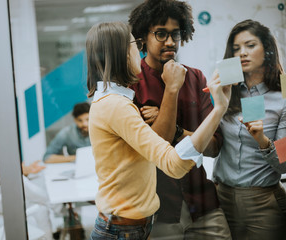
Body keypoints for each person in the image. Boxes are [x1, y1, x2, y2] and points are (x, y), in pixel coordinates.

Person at [86, 21, 231, 240]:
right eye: (136, 44)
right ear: (123, 53)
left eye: (176, 34)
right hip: (124, 229)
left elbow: (212, 145)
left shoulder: (114, 101)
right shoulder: (117, 105)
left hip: (131, 226)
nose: (139, 48)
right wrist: (219, 108)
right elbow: (173, 163)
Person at [128, 0, 231, 239]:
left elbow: (214, 146)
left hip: (203, 203)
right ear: (143, 36)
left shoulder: (195, 77)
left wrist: (175, 130)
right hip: (159, 209)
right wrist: (172, 90)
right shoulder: (132, 83)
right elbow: (157, 146)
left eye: (175, 34)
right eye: (161, 34)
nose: (170, 42)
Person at [213, 19, 286, 240]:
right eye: (236, 48)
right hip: (220, 198)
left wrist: (262, 140)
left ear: (268, 50)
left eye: (250, 45)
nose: (242, 53)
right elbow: (208, 143)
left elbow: (284, 167)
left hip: (263, 204)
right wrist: (216, 105)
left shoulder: (283, 94)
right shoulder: (226, 90)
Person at [0, 112, 47, 213]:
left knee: (42, 179)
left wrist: (26, 170)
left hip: (12, 191)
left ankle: (53, 202)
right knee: (23, 182)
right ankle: (53, 202)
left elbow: (12, 174)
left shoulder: (4, 149)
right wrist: (12, 174)